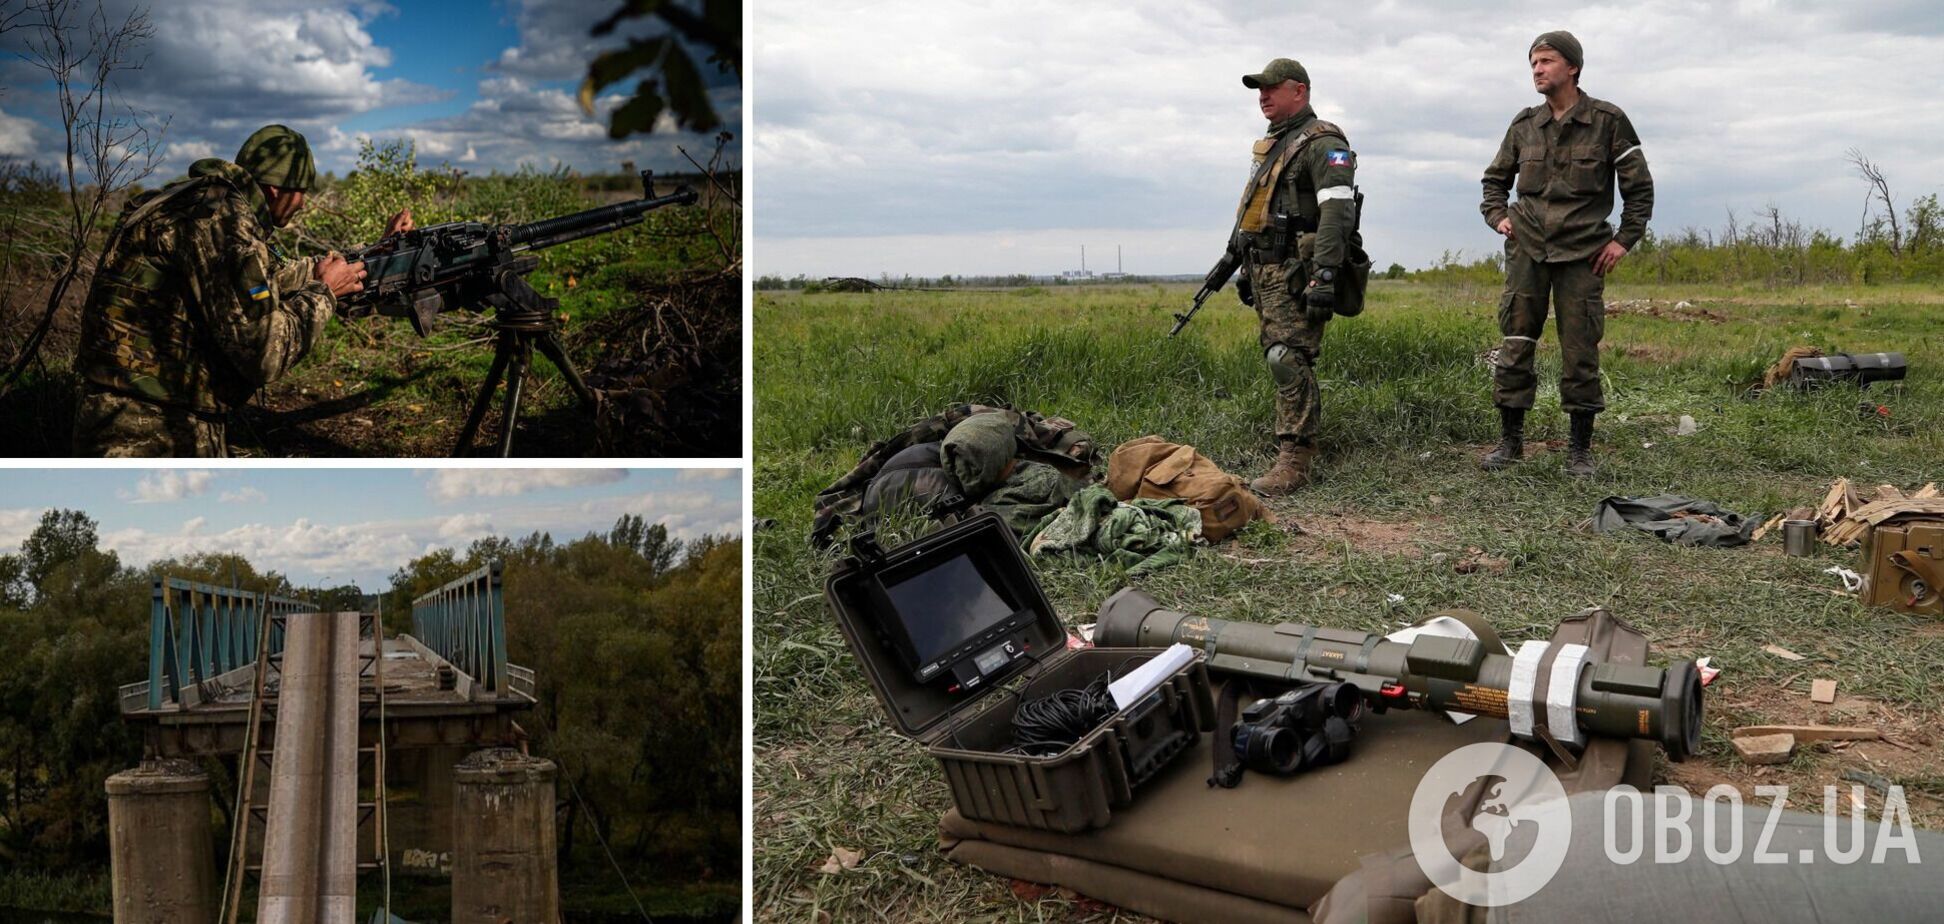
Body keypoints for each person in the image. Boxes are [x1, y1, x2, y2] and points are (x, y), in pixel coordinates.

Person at [71, 124, 412, 456]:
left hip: (114, 411)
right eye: (302, 192)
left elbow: (275, 278)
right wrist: (323, 295)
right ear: (277, 190)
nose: (304, 204)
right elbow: (265, 354)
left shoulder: (194, 203)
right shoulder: (224, 222)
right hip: (154, 428)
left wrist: (374, 253)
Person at [1478, 31, 1653, 476]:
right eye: (1533, 63)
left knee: (1580, 349)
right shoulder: (1523, 125)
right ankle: (1510, 442)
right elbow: (1493, 182)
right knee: (1516, 343)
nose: (1537, 69)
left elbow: (1640, 190)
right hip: (1527, 249)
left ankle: (1579, 451)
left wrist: (1622, 241)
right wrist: (1499, 217)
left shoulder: (1608, 121)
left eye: (1546, 61)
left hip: (1583, 253)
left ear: (1572, 67)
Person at [1232, 58, 1362, 494]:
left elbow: (1337, 212)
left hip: (1298, 269)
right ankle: (1295, 441)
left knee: (1287, 357)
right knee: (1280, 353)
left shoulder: (1324, 142)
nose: (1263, 96)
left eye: (1272, 88)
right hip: (1266, 268)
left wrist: (1323, 273)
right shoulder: (1273, 145)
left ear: (1300, 91)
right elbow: (1255, 210)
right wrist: (1242, 260)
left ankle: (1296, 458)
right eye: (1259, 90)